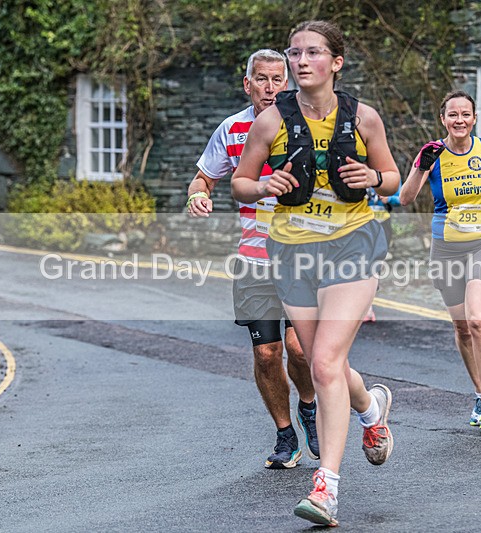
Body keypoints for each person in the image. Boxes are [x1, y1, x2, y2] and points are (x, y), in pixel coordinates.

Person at [232, 21, 399, 527]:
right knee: (328, 366)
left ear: (336, 62)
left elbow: (391, 177)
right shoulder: (269, 123)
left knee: (322, 361)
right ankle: (371, 410)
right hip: (292, 256)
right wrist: (264, 187)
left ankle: (325, 487)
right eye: (295, 53)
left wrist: (372, 177)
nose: (301, 62)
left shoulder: (363, 118)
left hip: (352, 249)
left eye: (312, 53)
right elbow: (239, 182)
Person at [186, 49, 319, 470]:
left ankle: (310, 405)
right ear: (248, 84)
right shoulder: (233, 129)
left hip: (302, 255)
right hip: (254, 259)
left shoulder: (310, 124)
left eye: (278, 79)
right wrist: (198, 194)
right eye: (261, 79)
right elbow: (204, 175)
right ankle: (285, 436)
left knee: (300, 350)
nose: (270, 87)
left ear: (289, 83)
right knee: (266, 354)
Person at [399, 90, 481, 433]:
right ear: (443, 119)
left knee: (479, 319)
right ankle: (478, 394)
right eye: (452, 114)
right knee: (461, 327)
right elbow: (406, 198)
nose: (459, 120)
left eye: (465, 114)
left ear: (474, 118)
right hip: (446, 248)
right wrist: (419, 165)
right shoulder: (434, 153)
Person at [363, 182, 402, 323]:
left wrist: (389, 199)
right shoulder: (357, 167)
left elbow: (402, 197)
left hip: (382, 224)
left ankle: (368, 307)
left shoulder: (388, 172)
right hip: (360, 224)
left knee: (375, 264)